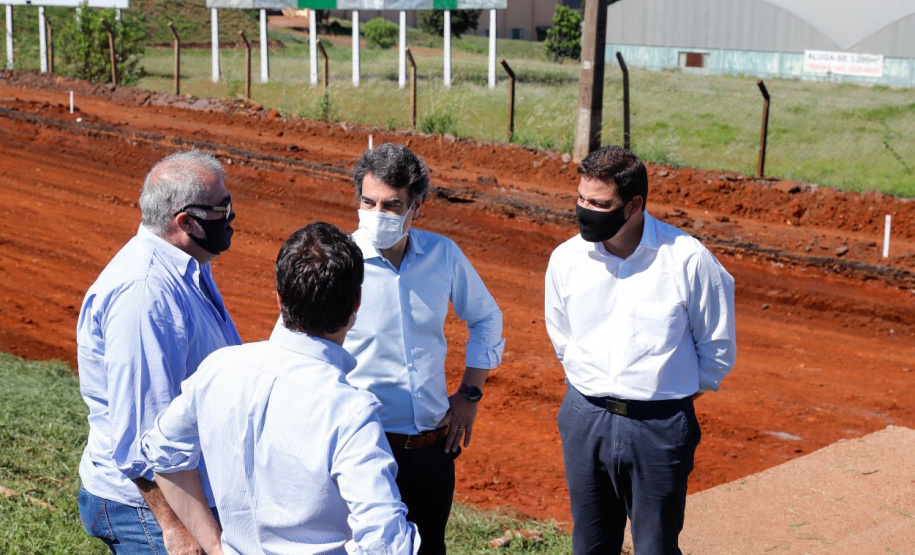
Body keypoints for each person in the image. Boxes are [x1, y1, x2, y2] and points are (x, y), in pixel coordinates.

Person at [141, 222, 420, 555]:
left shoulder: (219, 368)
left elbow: (162, 450)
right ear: (356, 302)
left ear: (279, 296)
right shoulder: (350, 411)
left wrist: (215, 546)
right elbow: (386, 543)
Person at [544, 145, 736, 555]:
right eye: (580, 198)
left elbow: (717, 350)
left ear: (634, 205)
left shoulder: (687, 259)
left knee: (656, 547)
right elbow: (561, 335)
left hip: (659, 427)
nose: (584, 210)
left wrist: (665, 394)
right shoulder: (566, 259)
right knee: (590, 544)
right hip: (585, 417)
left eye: (599, 203)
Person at [342, 143, 505, 555]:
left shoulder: (442, 254)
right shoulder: (339, 261)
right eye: (368, 202)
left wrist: (470, 394)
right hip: (364, 452)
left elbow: (487, 318)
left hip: (432, 453)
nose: (377, 214)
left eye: (392, 205)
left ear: (418, 207)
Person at [76, 149, 241, 554]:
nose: (230, 216)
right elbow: (143, 433)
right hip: (150, 510)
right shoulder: (146, 294)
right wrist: (178, 528)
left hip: (187, 492)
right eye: (222, 208)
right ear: (186, 221)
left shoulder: (187, 263)